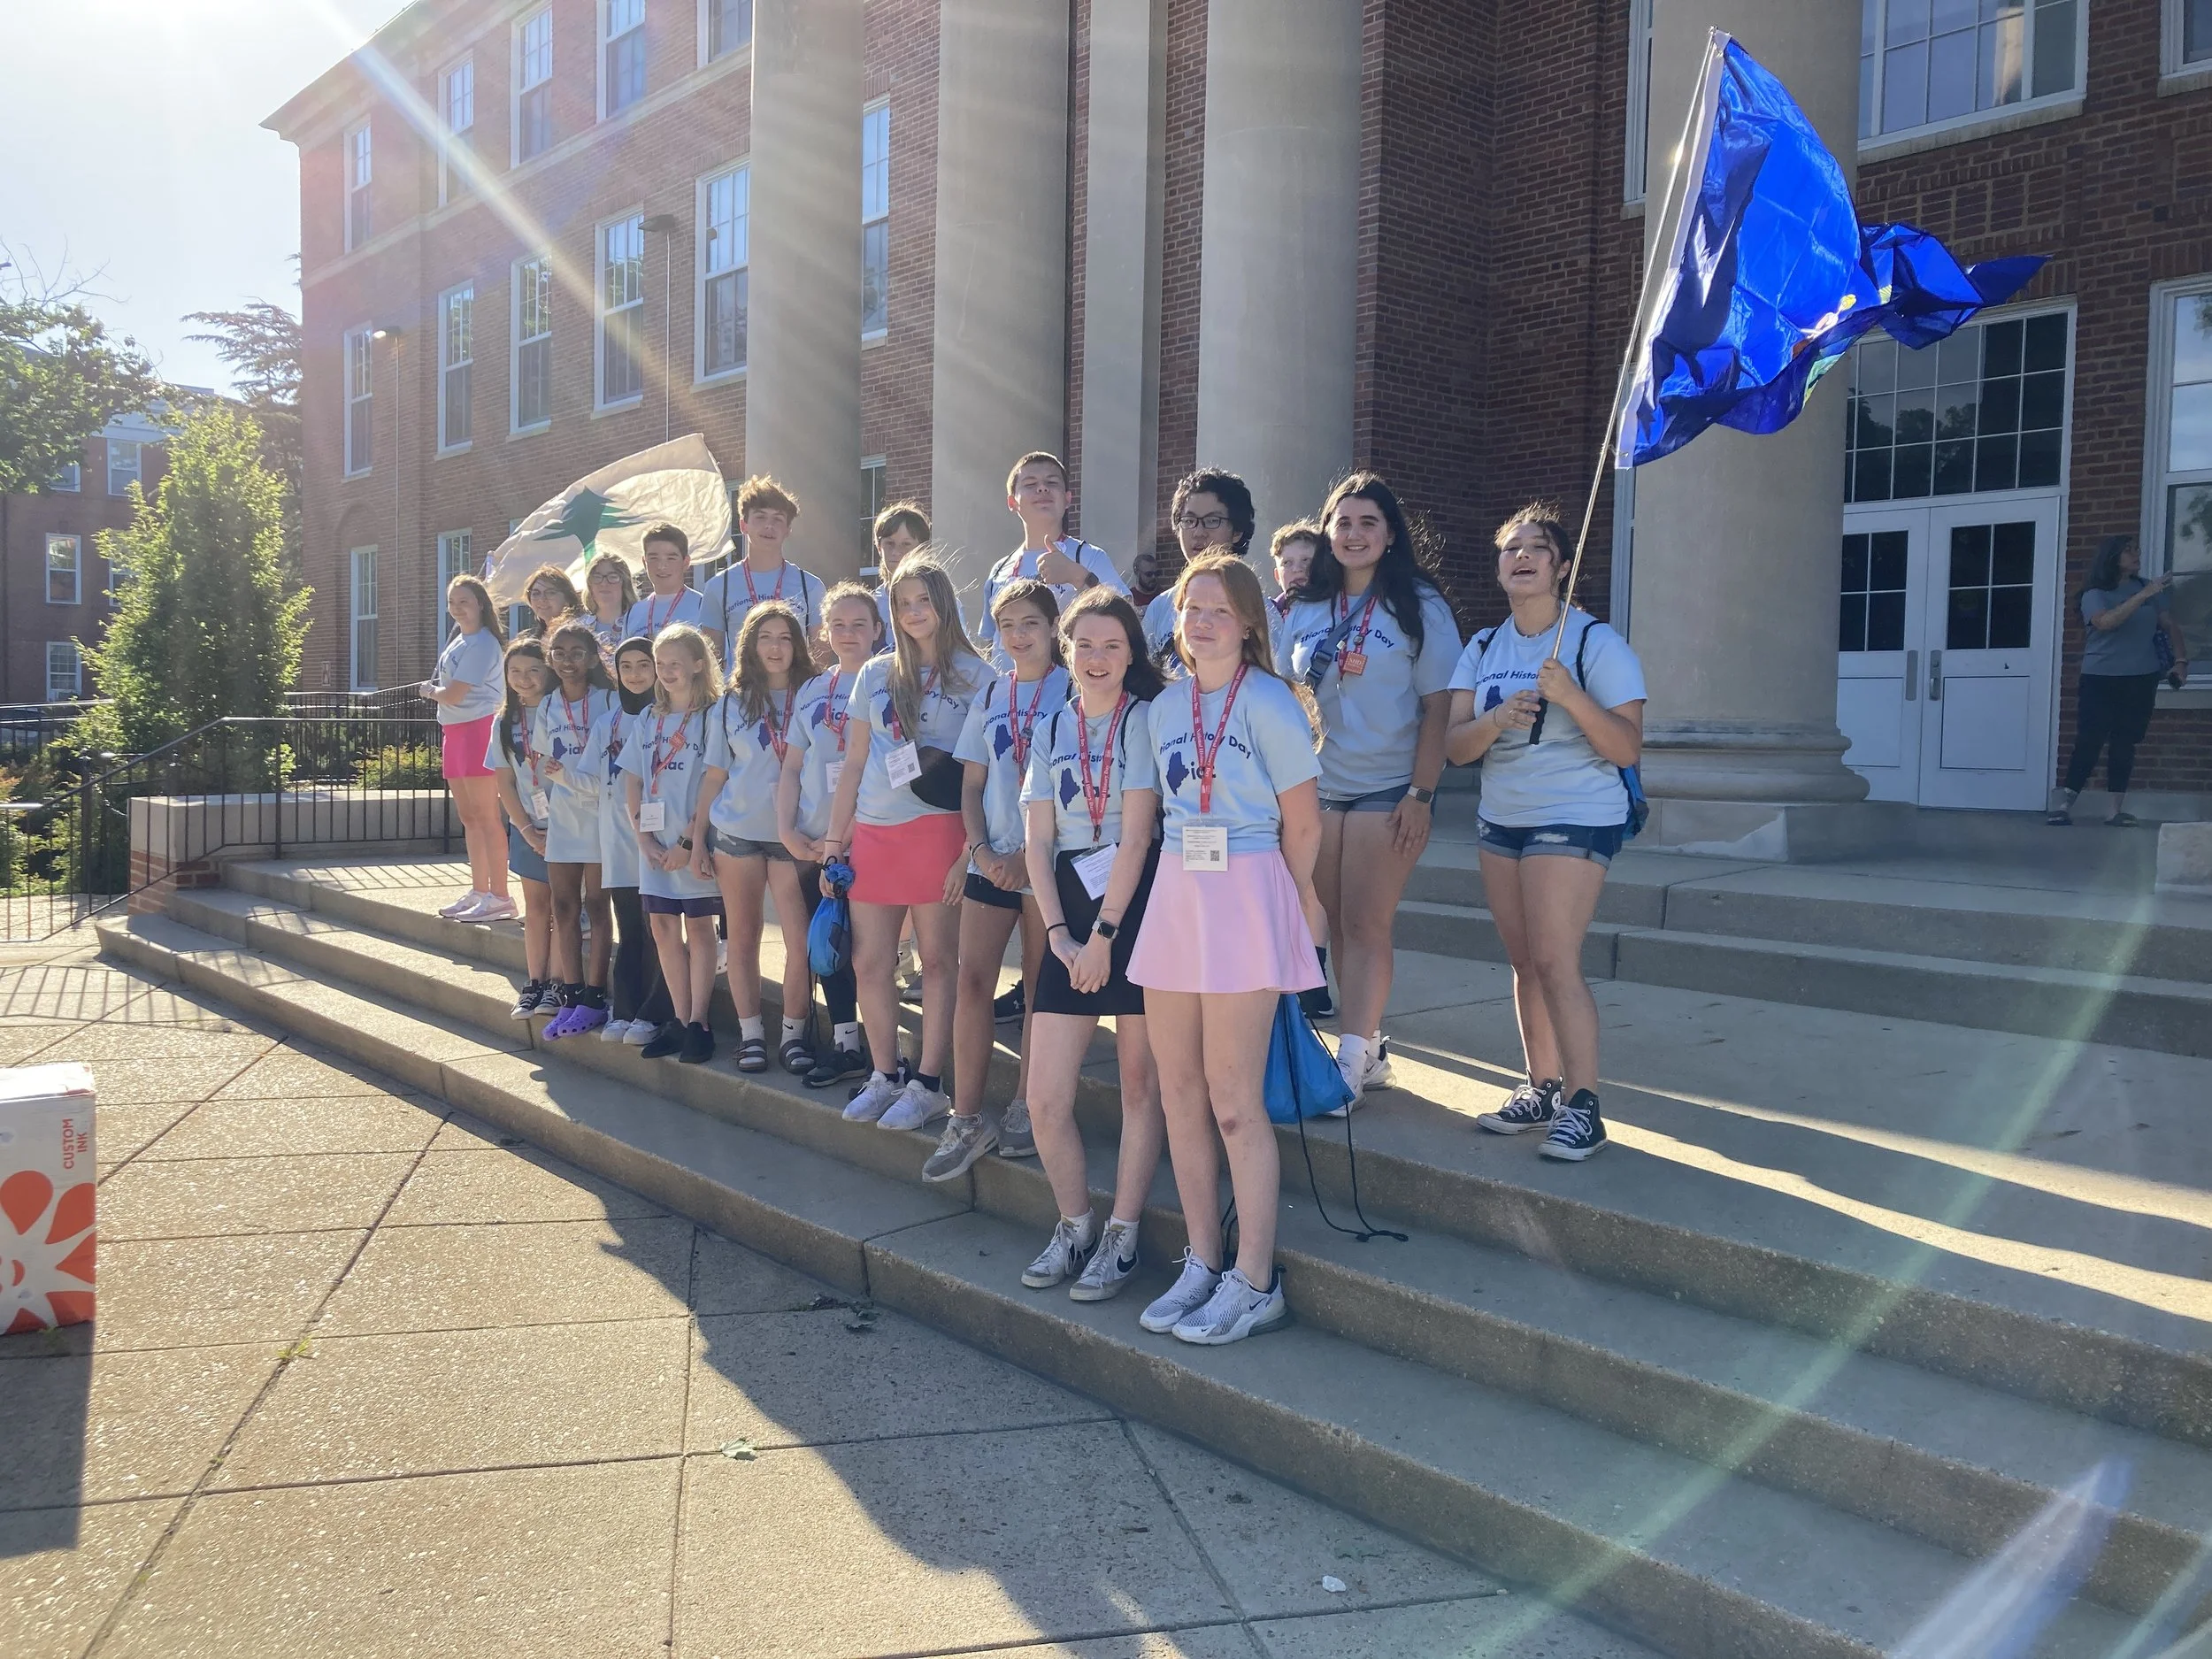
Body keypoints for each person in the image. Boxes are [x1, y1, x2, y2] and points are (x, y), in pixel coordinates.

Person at [1129, 553, 1325, 1347]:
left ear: (1248, 621)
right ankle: (1203, 1257)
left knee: (1235, 1100)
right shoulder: (1165, 709)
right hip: (1179, 888)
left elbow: (1303, 824)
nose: (1200, 621)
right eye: (1189, 608)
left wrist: (1283, 902)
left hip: (1244, 888)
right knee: (1179, 1090)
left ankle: (1255, 1277)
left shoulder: (1273, 702)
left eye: (1216, 608)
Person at [1444, 503, 1646, 1164]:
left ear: (1562, 566)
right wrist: (1498, 717)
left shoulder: (1594, 643)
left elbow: (1624, 747)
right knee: (1526, 959)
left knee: (1557, 958)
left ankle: (1584, 1105)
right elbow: (1455, 748)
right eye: (1511, 548)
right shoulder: (1482, 646)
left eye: (1538, 547)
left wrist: (1573, 697)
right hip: (1503, 817)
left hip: (1576, 813)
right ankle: (1543, 1086)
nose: (1523, 556)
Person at [1279, 473, 1459, 1103]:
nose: (1354, 535)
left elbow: (1439, 707)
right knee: (1336, 918)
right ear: (1328, 532)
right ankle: (1370, 1044)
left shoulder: (1420, 605)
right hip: (1318, 788)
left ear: (1389, 535)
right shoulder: (1303, 608)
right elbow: (1281, 699)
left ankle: (1350, 1061)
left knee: (1366, 920)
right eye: (1343, 523)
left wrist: (1423, 793)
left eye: (1368, 524)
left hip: (1389, 787)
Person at [1015, 588, 1167, 1302]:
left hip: (1134, 908)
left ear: (1131, 652)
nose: (1097, 658)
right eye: (1085, 644)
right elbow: (1038, 841)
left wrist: (1103, 935)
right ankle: (1075, 1224)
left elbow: (1136, 836)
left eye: (1111, 645)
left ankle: (1122, 1234)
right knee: (1045, 1098)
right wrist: (1057, 934)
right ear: (1064, 650)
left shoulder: (1143, 720)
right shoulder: (1050, 726)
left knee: (1141, 1087)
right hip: (1067, 912)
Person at [820, 557, 991, 1132]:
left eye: (923, 600)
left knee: (940, 960)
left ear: (944, 603)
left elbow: (987, 776)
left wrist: (970, 851)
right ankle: (884, 1073)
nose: (914, 613)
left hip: (940, 833)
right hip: (873, 830)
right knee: (871, 960)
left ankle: (928, 1080)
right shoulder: (875, 674)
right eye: (903, 603)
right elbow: (855, 762)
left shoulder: (978, 674)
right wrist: (833, 843)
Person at [924, 580, 1071, 1182]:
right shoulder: (992, 692)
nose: (1017, 634)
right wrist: (979, 851)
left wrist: (1026, 856)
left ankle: (1024, 1105)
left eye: (1030, 622)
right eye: (1007, 623)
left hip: (1049, 862)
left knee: (1039, 986)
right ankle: (965, 1115)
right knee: (973, 978)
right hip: (993, 858)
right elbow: (971, 784)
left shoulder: (1074, 687)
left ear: (1053, 626)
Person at [693, 601, 817, 1075]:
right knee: (742, 939)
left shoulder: (812, 695)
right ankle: (750, 1036)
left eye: (785, 637)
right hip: (737, 835)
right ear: (750, 645)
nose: (776, 647)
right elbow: (715, 776)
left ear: (797, 645)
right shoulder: (730, 704)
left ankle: (793, 1035)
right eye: (765, 637)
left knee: (799, 941)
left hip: (794, 838)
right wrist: (697, 838)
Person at [779, 582, 884, 1087]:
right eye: (837, 624)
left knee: (872, 953)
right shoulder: (813, 690)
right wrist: (788, 830)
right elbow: (792, 765)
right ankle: (845, 1042)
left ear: (878, 630)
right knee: (830, 942)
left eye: (859, 623)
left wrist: (844, 838)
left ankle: (889, 1055)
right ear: (823, 631)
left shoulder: (891, 682)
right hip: (817, 841)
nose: (847, 633)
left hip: (872, 839)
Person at [621, 623, 725, 1063]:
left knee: (699, 928)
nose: (665, 672)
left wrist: (689, 840)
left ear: (699, 665)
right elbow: (632, 778)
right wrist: (643, 840)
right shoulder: (649, 718)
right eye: (660, 665)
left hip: (696, 842)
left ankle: (700, 1022)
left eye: (674, 664)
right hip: (656, 844)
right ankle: (679, 1022)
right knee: (663, 928)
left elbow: (715, 783)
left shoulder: (714, 715)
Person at [2050, 534, 2190, 827]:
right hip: (2101, 678)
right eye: (2129, 551)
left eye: (2137, 550)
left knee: (2125, 742)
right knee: (2090, 740)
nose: (2136, 555)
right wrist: (2142, 596)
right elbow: (2105, 623)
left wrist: (2181, 661)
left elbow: (2169, 624)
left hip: (2141, 677)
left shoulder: (2146, 588)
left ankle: (2114, 811)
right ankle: (2064, 805)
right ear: (2113, 557)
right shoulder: (2095, 593)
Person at [533, 619, 618, 1036]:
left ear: (592, 658)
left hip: (600, 815)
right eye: (560, 653)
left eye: (577, 653)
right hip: (566, 817)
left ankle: (596, 996)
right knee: (563, 907)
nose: (568, 662)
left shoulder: (609, 702)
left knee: (599, 907)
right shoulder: (548, 705)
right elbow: (541, 761)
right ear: (550, 658)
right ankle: (571, 992)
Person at [591, 639, 676, 1044]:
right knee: (629, 927)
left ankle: (655, 1011)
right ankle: (624, 1008)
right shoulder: (607, 722)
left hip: (660, 837)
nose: (636, 674)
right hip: (619, 840)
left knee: (658, 926)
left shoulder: (669, 717)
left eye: (645, 664)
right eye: (627, 666)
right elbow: (589, 779)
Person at [977, 451, 1125, 664]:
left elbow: (1129, 617)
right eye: (1030, 484)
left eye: (1052, 482)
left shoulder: (1088, 556)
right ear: (1012, 502)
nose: (1042, 488)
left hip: (1070, 690)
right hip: (1009, 692)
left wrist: (1078, 577)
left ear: (1067, 499)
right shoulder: (999, 570)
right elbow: (990, 642)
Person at [423, 575, 511, 921]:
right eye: (453, 602)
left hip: (478, 730)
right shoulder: (460, 640)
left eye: (465, 601)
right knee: (469, 818)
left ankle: (501, 895)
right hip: (455, 731)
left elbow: (455, 694)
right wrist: (438, 693)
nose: (458, 608)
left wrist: (430, 692)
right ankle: (480, 889)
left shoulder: (485, 643)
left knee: (488, 818)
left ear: (481, 605)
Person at [485, 639, 557, 1017]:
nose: (524, 679)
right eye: (515, 671)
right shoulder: (503, 722)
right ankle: (535, 982)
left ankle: (558, 984)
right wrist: (527, 830)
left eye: (533, 670)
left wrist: (556, 829)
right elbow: (504, 782)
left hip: (568, 828)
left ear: (547, 672)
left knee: (564, 907)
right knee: (536, 908)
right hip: (528, 827)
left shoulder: (562, 712)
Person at [701, 476, 827, 669]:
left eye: (778, 519)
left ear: (788, 530)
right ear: (744, 525)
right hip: (741, 695)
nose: (769, 526)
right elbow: (712, 662)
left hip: (795, 695)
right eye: (760, 517)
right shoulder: (719, 586)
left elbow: (821, 659)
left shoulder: (810, 586)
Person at [1142, 470, 1257, 657]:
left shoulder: (1256, 604)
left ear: (1237, 531)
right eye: (1189, 521)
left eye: (1212, 521)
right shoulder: (1160, 608)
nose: (1198, 532)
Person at [624, 523, 705, 641]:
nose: (661, 566)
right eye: (653, 558)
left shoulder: (702, 607)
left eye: (671, 558)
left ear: (686, 562)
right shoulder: (633, 613)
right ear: (644, 562)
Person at [870, 502, 931, 634]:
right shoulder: (871, 605)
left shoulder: (939, 599)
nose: (896, 552)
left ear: (921, 549)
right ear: (879, 549)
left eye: (906, 544)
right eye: (890, 543)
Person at [583, 553, 637, 658]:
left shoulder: (639, 623)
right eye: (597, 577)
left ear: (625, 583)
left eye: (613, 577)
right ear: (590, 585)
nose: (604, 584)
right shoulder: (579, 628)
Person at [1270, 522, 1324, 619]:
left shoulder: (1337, 609)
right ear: (1277, 576)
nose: (1297, 569)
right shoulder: (1266, 615)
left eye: (1306, 560)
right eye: (1287, 563)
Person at [521, 565, 584, 640]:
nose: (542, 599)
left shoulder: (577, 633)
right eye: (536, 593)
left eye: (550, 593)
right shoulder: (537, 638)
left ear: (567, 598)